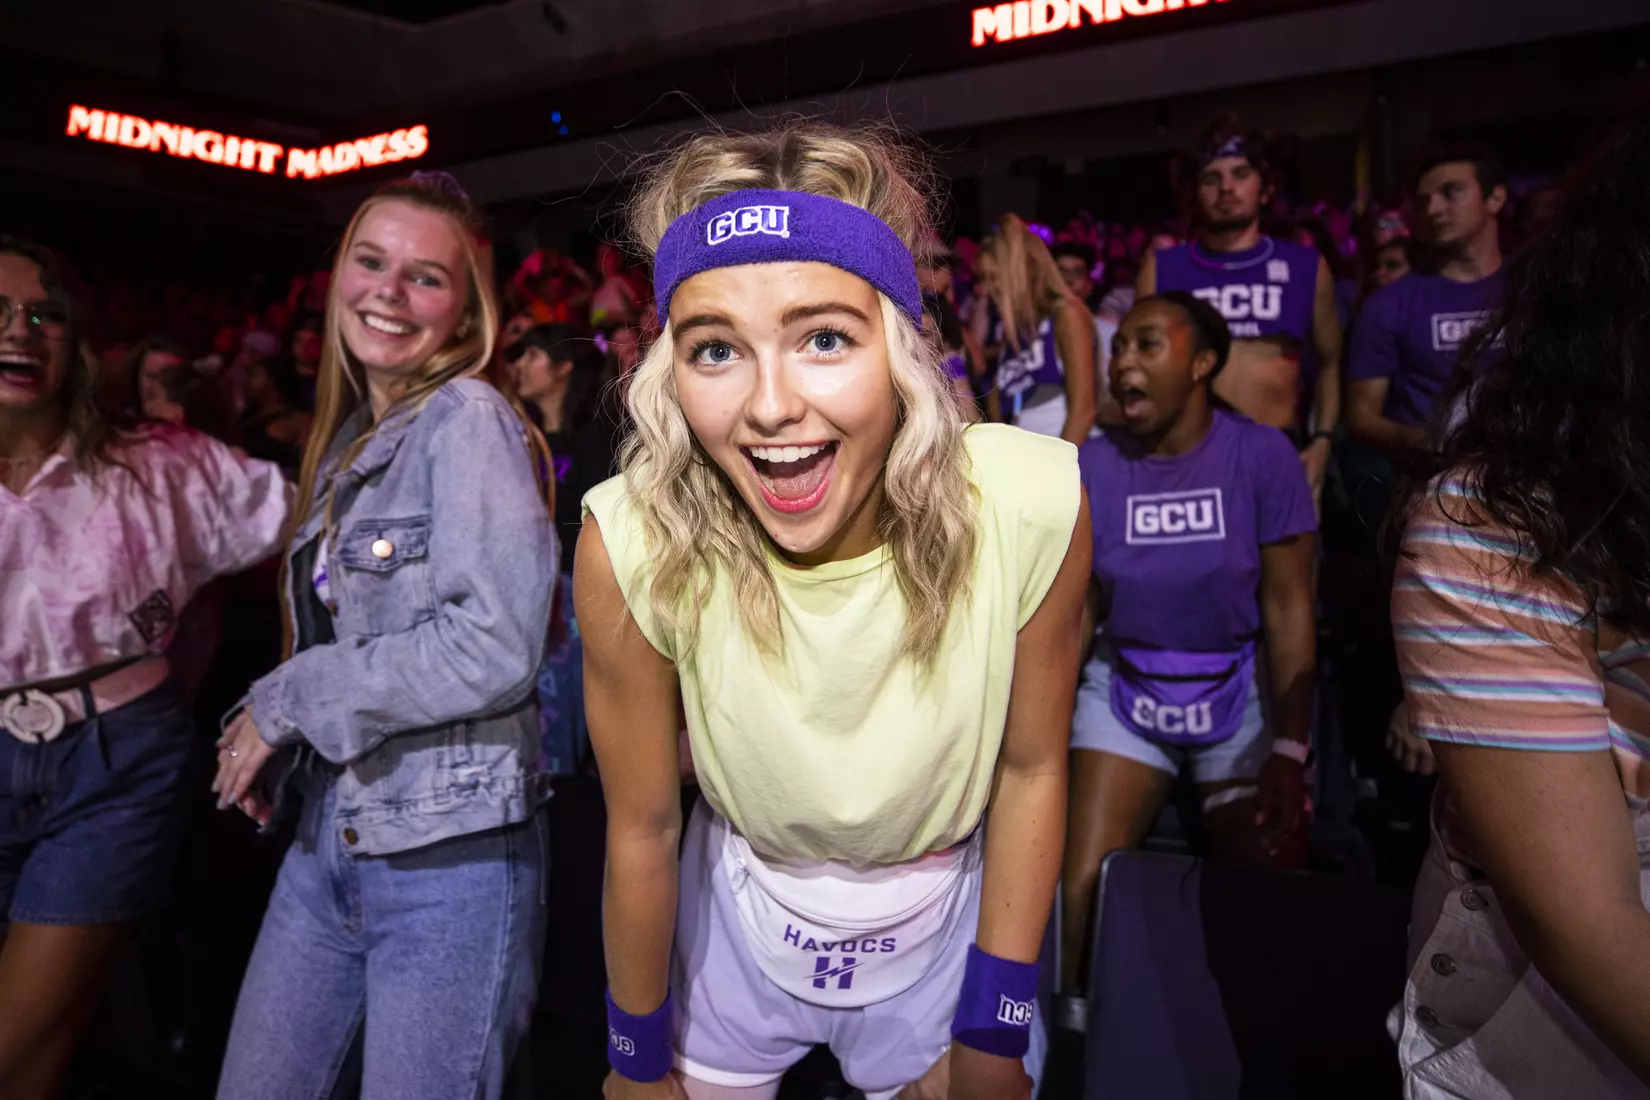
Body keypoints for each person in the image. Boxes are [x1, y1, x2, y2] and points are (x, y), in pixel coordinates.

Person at [580, 122, 1090, 1100]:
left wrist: (999, 1025)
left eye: (823, 338)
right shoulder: (634, 539)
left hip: (948, 927)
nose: (771, 405)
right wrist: (634, 1058)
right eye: (717, 347)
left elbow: (1032, 768)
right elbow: (641, 825)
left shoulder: (1029, 501)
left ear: (899, 346)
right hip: (732, 919)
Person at [211, 173, 557, 1100]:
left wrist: (286, 702)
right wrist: (296, 754)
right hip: (331, 840)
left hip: (452, 861)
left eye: (425, 278)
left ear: (467, 314)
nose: (388, 293)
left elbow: (492, 645)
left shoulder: (468, 420)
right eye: (371, 262)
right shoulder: (355, 442)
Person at [1386, 103, 1650, 1097]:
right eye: (1425, 192)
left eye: (1453, 187)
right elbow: (1593, 925)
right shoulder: (1496, 524)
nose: (1431, 205)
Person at [0, 237, 290, 1100]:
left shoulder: (161, 462)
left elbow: (315, 529)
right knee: (44, 1051)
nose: (21, 331)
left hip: (115, 761)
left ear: (79, 339)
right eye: (0, 313)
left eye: (45, 314)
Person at [1059, 292, 1317, 995]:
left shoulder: (1262, 454)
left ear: (1203, 363)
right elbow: (1081, 613)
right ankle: (1081, 1039)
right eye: (1117, 348)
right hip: (1126, 683)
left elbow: (1291, 609)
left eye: (1147, 345)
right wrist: (1041, 730)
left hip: (1236, 688)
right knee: (1081, 887)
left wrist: (1292, 749)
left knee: (1271, 884)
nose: (1123, 363)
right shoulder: (1095, 464)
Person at [1139, 116, 1343, 502]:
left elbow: (1331, 363)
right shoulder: (1164, 267)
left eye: (1240, 174)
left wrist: (1322, 442)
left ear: (1264, 189)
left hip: (1279, 454)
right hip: (1186, 458)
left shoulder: (1305, 266)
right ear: (1195, 192)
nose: (1226, 188)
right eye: (1211, 178)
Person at [506, 322, 621, 775]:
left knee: (570, 726)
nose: (519, 367)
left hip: (578, 595)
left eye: (531, 356)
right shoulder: (516, 439)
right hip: (526, 591)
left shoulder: (599, 436)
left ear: (563, 368)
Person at [1346, 142, 1508, 458]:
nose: (1433, 209)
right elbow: (1361, 417)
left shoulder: (1534, 290)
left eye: (1451, 192)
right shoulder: (1389, 304)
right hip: (1438, 485)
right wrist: (1430, 442)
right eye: (1424, 201)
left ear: (1495, 198)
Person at [976, 214, 1099, 444]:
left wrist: (1059, 472)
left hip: (1068, 461)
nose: (987, 288)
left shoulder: (1066, 315)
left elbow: (1083, 411)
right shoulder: (1014, 331)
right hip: (1028, 460)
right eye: (982, 278)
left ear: (1019, 272)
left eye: (993, 277)